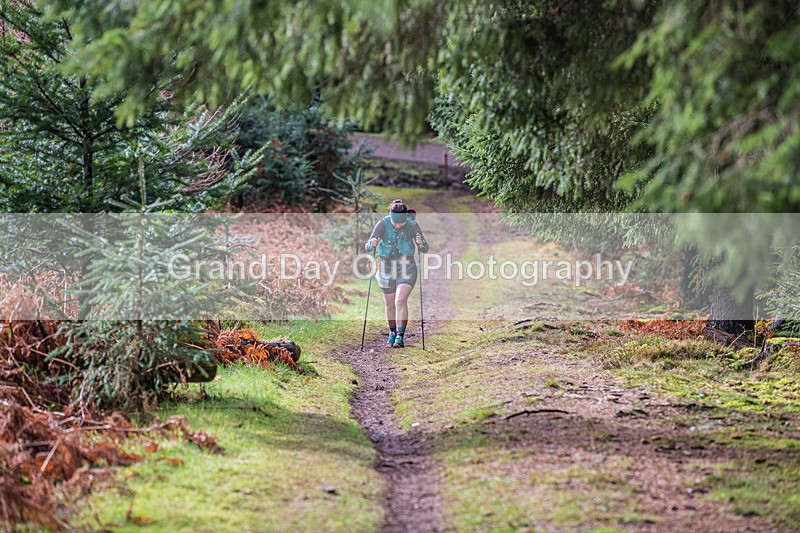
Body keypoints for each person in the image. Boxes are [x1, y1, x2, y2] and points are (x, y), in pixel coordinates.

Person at [365, 199, 430, 348]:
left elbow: (425, 248)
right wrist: (372, 244)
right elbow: (368, 246)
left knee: (399, 300)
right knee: (389, 304)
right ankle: (392, 332)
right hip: (386, 269)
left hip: (407, 268)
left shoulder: (412, 225)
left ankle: (400, 336)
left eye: (401, 223)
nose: (398, 225)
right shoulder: (383, 223)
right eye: (396, 223)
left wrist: (420, 242)